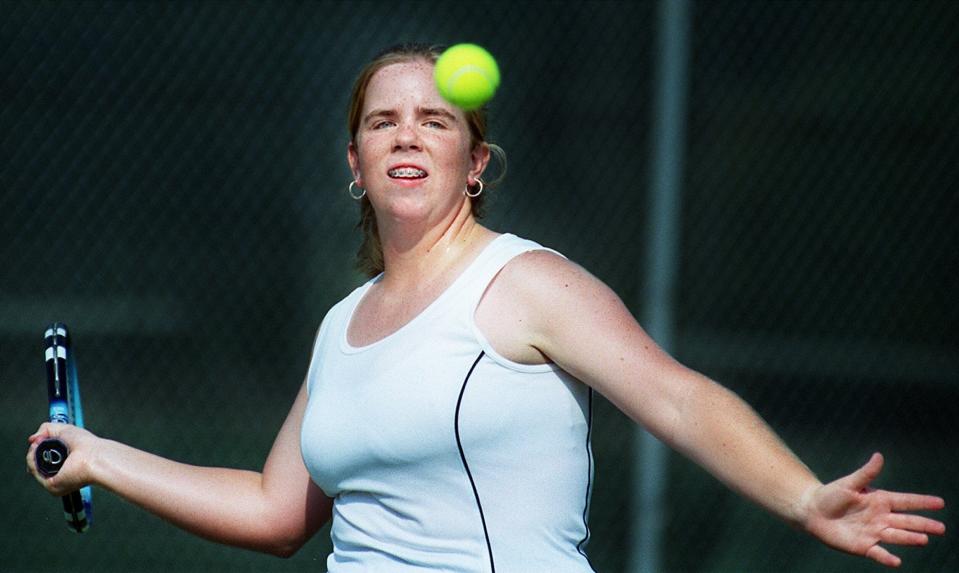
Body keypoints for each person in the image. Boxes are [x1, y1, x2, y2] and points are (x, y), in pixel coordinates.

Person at [27, 43, 945, 572]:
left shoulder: (527, 283)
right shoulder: (338, 324)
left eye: (436, 119)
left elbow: (673, 396)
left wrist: (800, 498)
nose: (407, 133)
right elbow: (276, 511)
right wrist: (101, 458)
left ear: (475, 164)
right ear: (355, 165)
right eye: (383, 121)